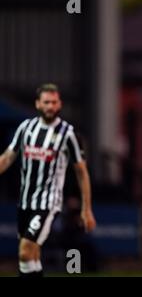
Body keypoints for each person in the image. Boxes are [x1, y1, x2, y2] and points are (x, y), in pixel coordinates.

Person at [0, 83, 96, 277]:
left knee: (25, 251)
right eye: (46, 102)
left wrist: (86, 208)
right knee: (32, 256)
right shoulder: (26, 128)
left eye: (54, 102)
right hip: (25, 201)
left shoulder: (68, 133)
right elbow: (8, 157)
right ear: (37, 104)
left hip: (48, 203)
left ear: (59, 104)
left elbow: (81, 171)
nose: (50, 106)